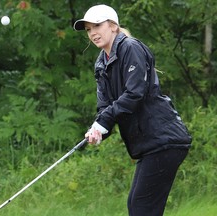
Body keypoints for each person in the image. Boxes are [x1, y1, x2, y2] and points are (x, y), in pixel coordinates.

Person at [73, 4, 192, 216]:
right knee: (137, 207)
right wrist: (98, 130)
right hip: (149, 144)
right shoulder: (101, 64)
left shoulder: (130, 47)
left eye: (97, 26)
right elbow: (105, 109)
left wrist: (104, 121)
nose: (93, 33)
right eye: (89, 29)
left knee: (141, 209)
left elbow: (134, 94)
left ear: (113, 26)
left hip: (164, 139)